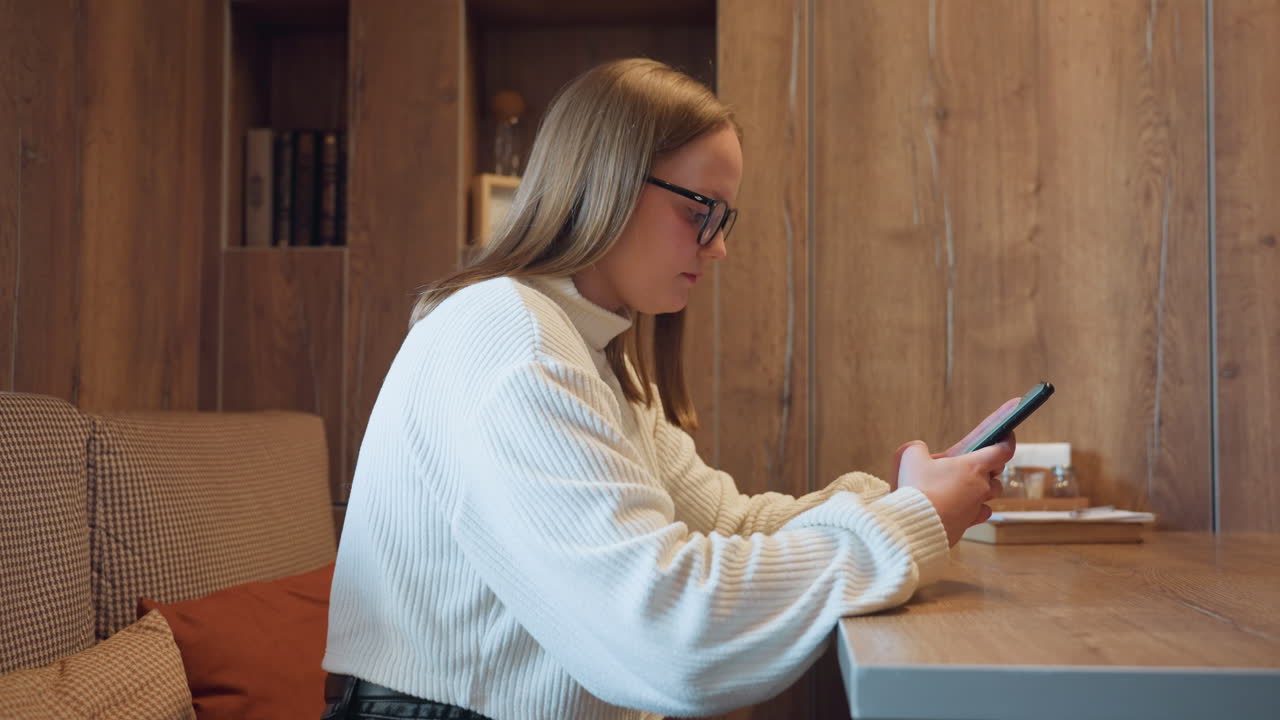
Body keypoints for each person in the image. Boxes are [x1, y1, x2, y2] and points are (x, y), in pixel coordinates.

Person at [321, 58, 1014, 720]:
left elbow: (729, 523)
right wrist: (912, 521)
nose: (718, 247)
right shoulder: (513, 339)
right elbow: (670, 633)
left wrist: (904, 502)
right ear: (608, 180)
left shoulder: (590, 353)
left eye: (725, 218)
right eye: (701, 210)